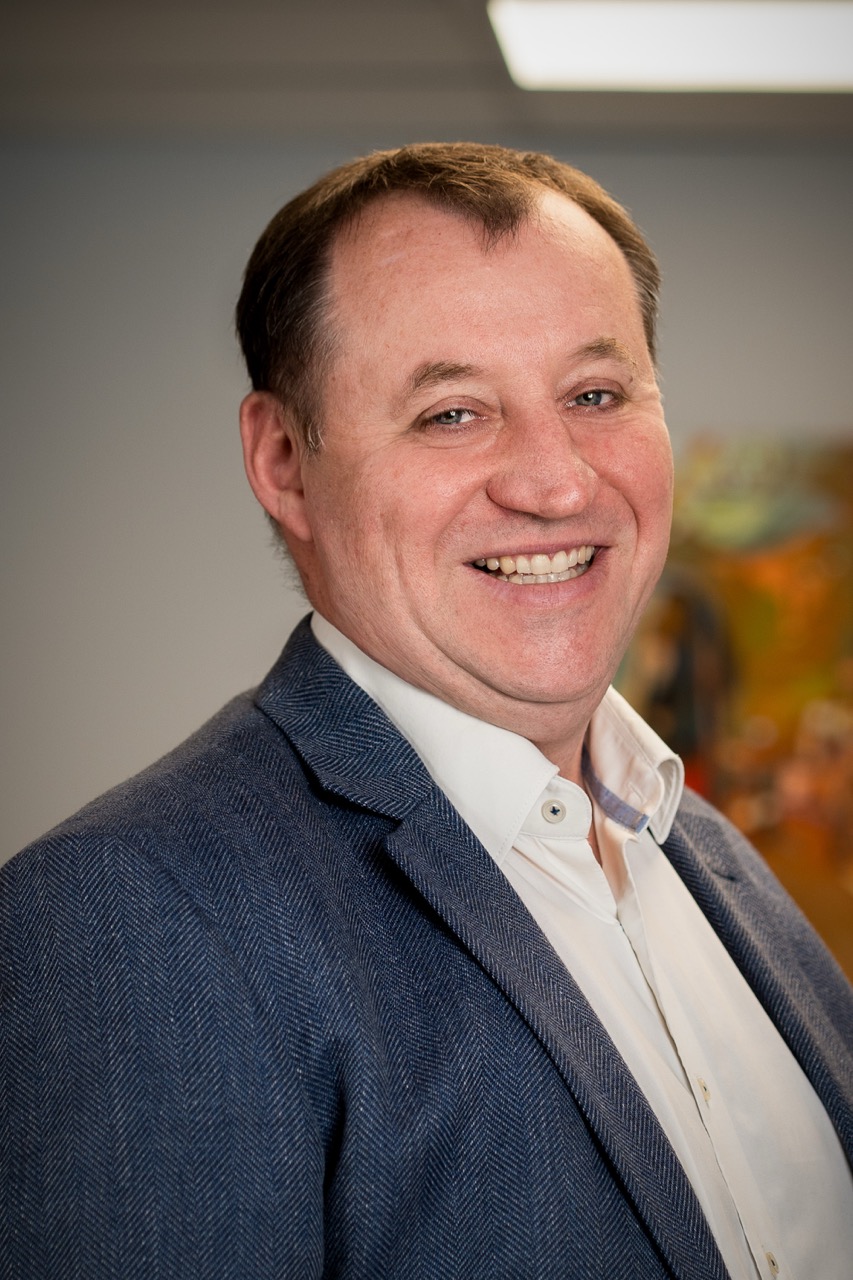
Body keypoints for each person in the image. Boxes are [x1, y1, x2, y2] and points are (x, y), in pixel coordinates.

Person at [2, 143, 851, 1280]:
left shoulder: (705, 851)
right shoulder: (131, 920)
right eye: (452, 413)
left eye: (595, 395)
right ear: (283, 461)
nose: (555, 482)